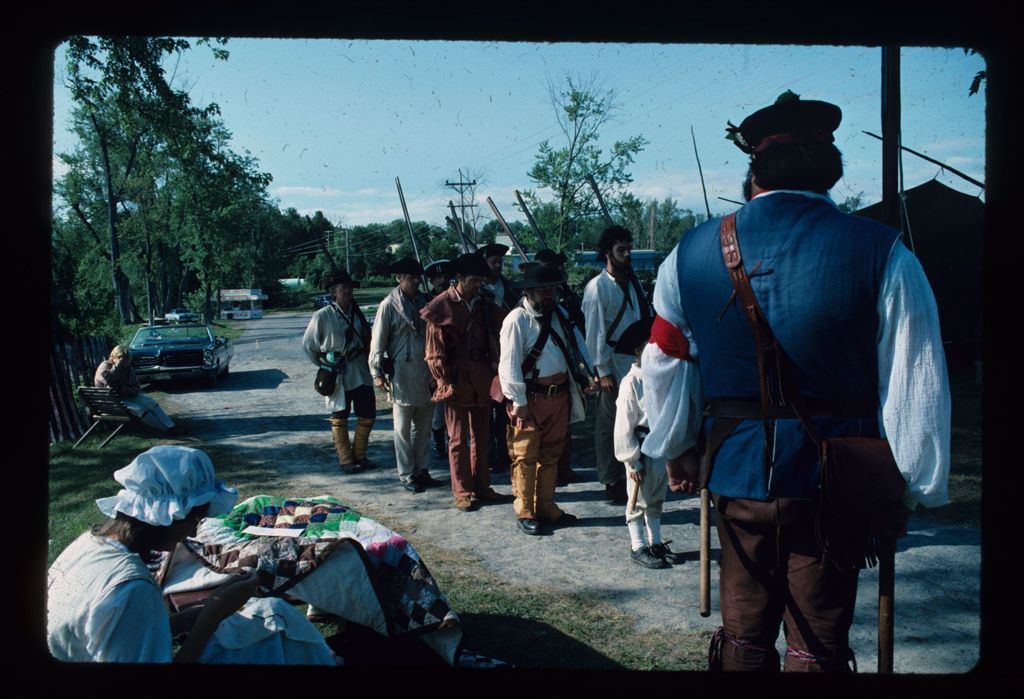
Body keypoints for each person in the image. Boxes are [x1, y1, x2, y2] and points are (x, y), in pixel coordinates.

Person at [641, 92, 950, 671]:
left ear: (753, 168)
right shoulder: (884, 252)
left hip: (735, 473)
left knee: (743, 634)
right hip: (835, 479)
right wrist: (910, 484)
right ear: (828, 168)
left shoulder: (687, 254)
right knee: (818, 642)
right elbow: (916, 374)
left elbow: (664, 358)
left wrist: (675, 448)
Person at [47, 445, 336, 664]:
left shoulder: (87, 545)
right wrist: (212, 617)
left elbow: (109, 634)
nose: (194, 533)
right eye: (194, 521)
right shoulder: (130, 589)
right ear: (170, 515)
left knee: (270, 613)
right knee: (274, 632)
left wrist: (183, 621)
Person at [498, 264, 593, 535]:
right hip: (530, 397)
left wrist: (587, 372)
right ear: (528, 291)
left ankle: (546, 506)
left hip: (559, 395)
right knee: (525, 456)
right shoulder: (516, 319)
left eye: (552, 288)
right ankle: (525, 509)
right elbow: (509, 365)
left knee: (551, 454)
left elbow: (577, 344)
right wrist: (518, 400)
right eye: (543, 289)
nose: (549, 293)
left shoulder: (559, 314)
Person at [421, 252, 512, 511]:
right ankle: (462, 491)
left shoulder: (485, 303)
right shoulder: (440, 305)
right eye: (473, 280)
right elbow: (434, 351)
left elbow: (501, 331)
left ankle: (482, 485)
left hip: (482, 375)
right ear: (458, 278)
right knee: (458, 439)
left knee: (482, 436)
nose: (477, 284)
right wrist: (444, 381)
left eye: (480, 280)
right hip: (456, 377)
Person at [582, 225, 653, 504]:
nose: (626, 254)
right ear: (607, 253)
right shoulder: (597, 288)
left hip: (635, 361)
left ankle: (631, 471)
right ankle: (610, 479)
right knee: (609, 423)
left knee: (636, 418)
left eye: (628, 248)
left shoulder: (632, 283)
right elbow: (594, 333)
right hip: (611, 362)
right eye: (620, 249)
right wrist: (601, 369)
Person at [612, 318, 688, 568]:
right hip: (640, 448)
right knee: (637, 499)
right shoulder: (631, 382)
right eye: (651, 345)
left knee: (656, 496)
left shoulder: (660, 377)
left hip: (660, 446)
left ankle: (655, 541)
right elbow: (624, 426)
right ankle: (638, 545)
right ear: (638, 351)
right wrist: (632, 461)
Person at [369, 257, 444, 493]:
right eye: (409, 278)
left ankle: (422, 469)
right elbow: (377, 341)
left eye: (416, 278)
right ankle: (407, 474)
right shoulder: (388, 305)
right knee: (401, 428)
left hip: (426, 372)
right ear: (398, 278)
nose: (414, 282)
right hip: (401, 372)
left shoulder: (425, 302)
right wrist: (376, 372)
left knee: (423, 427)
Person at [302, 270, 378, 474]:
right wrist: (325, 365)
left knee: (368, 414)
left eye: (349, 289)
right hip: (338, 375)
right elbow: (309, 345)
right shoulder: (323, 315)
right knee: (339, 417)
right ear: (333, 293)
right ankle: (346, 460)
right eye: (343, 289)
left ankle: (360, 455)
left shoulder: (357, 313)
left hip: (360, 371)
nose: (347, 292)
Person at [532, 248, 585, 486]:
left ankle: (562, 469)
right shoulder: (524, 309)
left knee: (563, 429)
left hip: (564, 372)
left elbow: (575, 333)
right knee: (534, 439)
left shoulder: (561, 302)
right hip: (535, 381)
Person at [478, 242, 515, 475]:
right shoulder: (478, 291)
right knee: (486, 412)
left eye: (500, 262)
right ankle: (488, 455)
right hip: (485, 356)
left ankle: (504, 453)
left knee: (504, 411)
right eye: (494, 262)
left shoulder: (509, 289)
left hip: (507, 354)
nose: (498, 266)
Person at [93, 345, 175, 432]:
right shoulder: (105, 365)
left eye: (127, 358)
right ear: (114, 357)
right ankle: (165, 430)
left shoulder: (128, 368)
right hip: (112, 402)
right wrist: (117, 367)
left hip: (126, 397)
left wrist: (131, 390)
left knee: (150, 402)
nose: (125, 361)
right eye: (122, 358)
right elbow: (108, 381)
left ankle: (171, 427)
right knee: (140, 409)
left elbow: (136, 386)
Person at [424, 259, 453, 459]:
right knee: (437, 410)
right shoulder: (427, 304)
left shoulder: (454, 300)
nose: (442, 281)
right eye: (437, 278)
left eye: (445, 277)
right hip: (433, 362)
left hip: (454, 360)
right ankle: (439, 444)